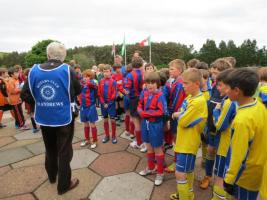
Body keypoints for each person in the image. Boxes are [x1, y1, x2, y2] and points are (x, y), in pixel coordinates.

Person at [22, 42, 81, 195]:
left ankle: (52, 176)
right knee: (64, 151)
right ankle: (63, 185)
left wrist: (41, 102)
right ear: (63, 56)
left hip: (44, 117)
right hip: (64, 117)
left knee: (50, 148)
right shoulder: (68, 70)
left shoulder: (34, 70)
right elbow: (78, 89)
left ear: (48, 55)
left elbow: (25, 94)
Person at [223, 68, 267, 200]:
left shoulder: (242, 120)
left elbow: (238, 154)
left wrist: (229, 179)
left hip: (244, 176)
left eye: (227, 88)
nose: (225, 91)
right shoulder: (258, 105)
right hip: (258, 167)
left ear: (237, 91)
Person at [170, 68, 208, 200]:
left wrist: (177, 115)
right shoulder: (191, 97)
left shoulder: (198, 102)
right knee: (189, 170)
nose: (182, 85)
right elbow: (182, 110)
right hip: (184, 141)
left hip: (188, 143)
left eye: (186, 83)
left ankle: (184, 197)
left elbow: (183, 121)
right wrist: (180, 114)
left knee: (180, 173)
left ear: (197, 84)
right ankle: (188, 194)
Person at [200, 59, 232, 189]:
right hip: (211, 126)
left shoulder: (228, 92)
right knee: (210, 150)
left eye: (216, 73)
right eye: (212, 72)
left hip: (222, 130)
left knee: (222, 155)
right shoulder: (214, 86)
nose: (213, 75)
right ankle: (208, 175)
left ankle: (222, 180)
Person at [138, 72, 167, 186]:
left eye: (153, 83)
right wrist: (141, 112)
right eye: (148, 83)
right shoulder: (144, 93)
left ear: (158, 84)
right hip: (145, 124)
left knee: (157, 149)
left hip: (155, 125)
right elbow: (139, 104)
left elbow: (161, 111)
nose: (150, 85)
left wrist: (146, 113)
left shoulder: (160, 95)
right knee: (149, 147)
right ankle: (150, 167)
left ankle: (160, 172)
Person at [211, 69, 236, 200]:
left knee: (220, 175)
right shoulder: (233, 99)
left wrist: (216, 112)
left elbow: (220, 125)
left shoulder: (228, 102)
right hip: (232, 145)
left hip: (224, 146)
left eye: (220, 84)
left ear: (229, 85)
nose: (216, 87)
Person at [164, 59, 186, 173]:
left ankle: (177, 162)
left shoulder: (179, 83)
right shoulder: (177, 81)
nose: (169, 70)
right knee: (177, 139)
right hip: (178, 114)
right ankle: (178, 160)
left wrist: (169, 115)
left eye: (172, 69)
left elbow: (176, 101)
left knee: (176, 139)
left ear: (180, 70)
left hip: (176, 115)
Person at [125, 56, 144, 149]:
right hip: (144, 99)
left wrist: (127, 94)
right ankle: (144, 141)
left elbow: (127, 90)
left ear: (132, 64)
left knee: (136, 122)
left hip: (134, 99)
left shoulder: (130, 75)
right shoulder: (145, 73)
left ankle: (139, 142)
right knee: (143, 120)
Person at [79, 69, 98, 149]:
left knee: (92, 124)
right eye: (84, 76)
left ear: (91, 77)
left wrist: (86, 82)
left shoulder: (92, 82)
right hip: (83, 107)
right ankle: (87, 140)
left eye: (87, 76)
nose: (85, 78)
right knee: (85, 124)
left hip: (91, 106)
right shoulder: (82, 84)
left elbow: (94, 86)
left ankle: (95, 140)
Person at [98, 64, 118, 144]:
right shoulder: (101, 81)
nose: (106, 73)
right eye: (104, 71)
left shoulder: (113, 82)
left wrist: (109, 103)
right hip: (103, 105)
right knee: (105, 119)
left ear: (110, 72)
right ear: (102, 72)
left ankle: (113, 136)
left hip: (111, 104)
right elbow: (99, 93)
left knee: (112, 120)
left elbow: (114, 93)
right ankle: (107, 135)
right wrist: (103, 103)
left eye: (107, 71)